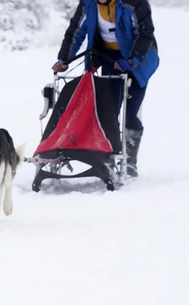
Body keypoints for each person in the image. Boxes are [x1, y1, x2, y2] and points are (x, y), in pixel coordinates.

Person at [52, 0, 159, 178]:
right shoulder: (88, 4)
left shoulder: (134, 3)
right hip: (110, 59)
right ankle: (109, 157)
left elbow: (145, 34)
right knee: (108, 111)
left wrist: (133, 60)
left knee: (130, 114)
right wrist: (64, 59)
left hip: (139, 60)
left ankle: (130, 162)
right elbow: (75, 32)